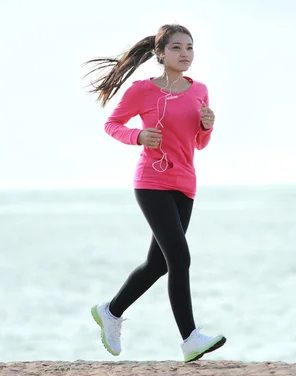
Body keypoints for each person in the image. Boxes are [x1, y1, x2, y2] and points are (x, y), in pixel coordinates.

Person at [82, 23, 226, 363]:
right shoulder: (142, 91)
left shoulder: (200, 90)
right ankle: (190, 338)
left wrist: (208, 125)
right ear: (161, 54)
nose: (185, 54)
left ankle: (111, 311)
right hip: (152, 181)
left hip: (186, 184)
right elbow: (112, 124)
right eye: (177, 48)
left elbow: (199, 144)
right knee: (180, 258)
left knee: (157, 264)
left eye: (190, 48)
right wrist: (138, 137)